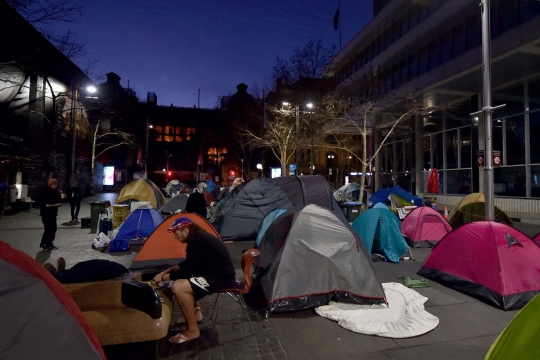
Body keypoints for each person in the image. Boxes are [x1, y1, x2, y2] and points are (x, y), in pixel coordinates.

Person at [153, 217, 236, 344]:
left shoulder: (196, 240)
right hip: (216, 274)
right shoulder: (198, 238)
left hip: (222, 278)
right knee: (183, 281)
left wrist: (164, 278)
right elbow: (189, 263)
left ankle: (193, 331)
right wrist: (168, 270)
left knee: (179, 287)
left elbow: (187, 270)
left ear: (185, 230)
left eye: (176, 232)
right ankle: (196, 313)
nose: (175, 236)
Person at [37, 179, 62, 251]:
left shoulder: (56, 192)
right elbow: (38, 201)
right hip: (46, 213)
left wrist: (59, 203)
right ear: (50, 185)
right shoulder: (44, 192)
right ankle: (44, 244)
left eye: (55, 184)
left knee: (53, 229)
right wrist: (45, 205)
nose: (54, 186)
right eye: (53, 184)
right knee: (48, 229)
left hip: (53, 213)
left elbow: (59, 200)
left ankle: (49, 243)